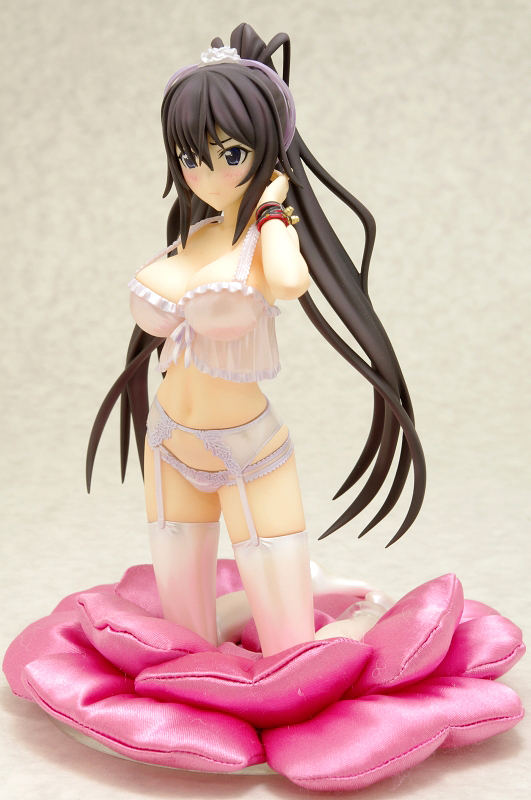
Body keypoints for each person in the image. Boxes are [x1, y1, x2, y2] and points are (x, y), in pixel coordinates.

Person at [87, 23, 425, 657]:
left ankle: (362, 617)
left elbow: (292, 282)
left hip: (249, 452)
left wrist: (273, 207)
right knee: (185, 642)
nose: (208, 175)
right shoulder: (194, 236)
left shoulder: (269, 239)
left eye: (231, 154)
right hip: (169, 442)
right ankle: (268, 610)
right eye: (190, 158)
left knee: (291, 649)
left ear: (267, 148)